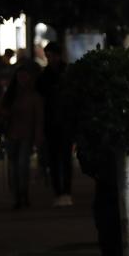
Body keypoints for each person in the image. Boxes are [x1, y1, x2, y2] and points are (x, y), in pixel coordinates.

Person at [0, 63, 45, 209]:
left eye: (25, 76)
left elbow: (38, 118)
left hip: (25, 135)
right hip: (12, 134)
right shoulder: (12, 95)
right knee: (14, 167)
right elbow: (2, 111)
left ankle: (22, 194)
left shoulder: (33, 96)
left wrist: (38, 136)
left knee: (22, 166)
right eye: (20, 76)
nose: (22, 79)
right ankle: (18, 196)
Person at [36, 42, 73, 207]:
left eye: (51, 55)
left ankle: (65, 191)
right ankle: (59, 191)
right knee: (54, 159)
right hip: (52, 122)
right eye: (48, 56)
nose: (50, 59)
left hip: (63, 121)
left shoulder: (65, 73)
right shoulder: (46, 75)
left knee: (64, 159)